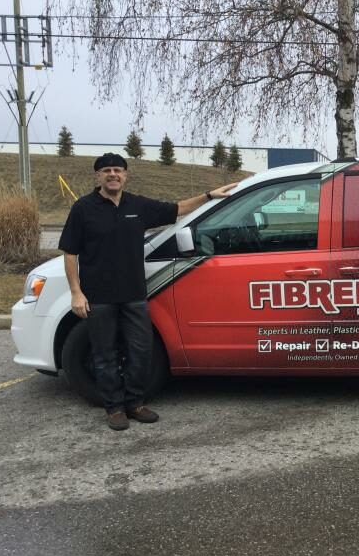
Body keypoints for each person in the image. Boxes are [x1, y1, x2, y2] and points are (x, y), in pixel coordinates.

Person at [58, 152, 238, 430]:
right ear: (98, 176)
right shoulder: (83, 208)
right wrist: (75, 292)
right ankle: (114, 408)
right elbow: (70, 253)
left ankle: (135, 403)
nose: (113, 174)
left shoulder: (137, 205)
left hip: (134, 295)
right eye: (107, 170)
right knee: (104, 355)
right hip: (99, 297)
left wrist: (209, 196)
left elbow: (176, 209)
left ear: (125, 175)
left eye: (118, 170)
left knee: (141, 350)